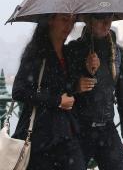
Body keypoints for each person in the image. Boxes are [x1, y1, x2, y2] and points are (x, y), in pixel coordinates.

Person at [12, 14, 86, 170]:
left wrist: (81, 82)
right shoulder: (37, 53)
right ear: (51, 20)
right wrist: (57, 101)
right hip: (42, 136)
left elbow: (66, 87)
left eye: (72, 21)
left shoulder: (68, 54)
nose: (69, 26)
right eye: (65, 20)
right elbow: (19, 91)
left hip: (66, 132)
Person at [67, 14, 123, 170]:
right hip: (78, 129)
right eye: (100, 18)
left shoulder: (117, 53)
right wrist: (77, 83)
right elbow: (60, 87)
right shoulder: (73, 50)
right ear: (88, 20)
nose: (107, 23)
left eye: (110, 17)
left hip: (106, 128)